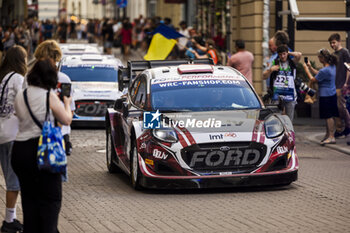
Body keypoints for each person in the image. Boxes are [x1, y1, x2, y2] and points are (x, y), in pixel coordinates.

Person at [11, 58, 72, 233]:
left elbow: (19, 116)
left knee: (29, 200)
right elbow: (66, 119)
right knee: (51, 199)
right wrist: (66, 102)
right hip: (42, 151)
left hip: (20, 150)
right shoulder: (48, 96)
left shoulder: (20, 95)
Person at [0, 45, 27, 233]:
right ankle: (8, 222)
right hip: (13, 134)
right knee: (13, 181)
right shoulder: (18, 79)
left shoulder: (2, 80)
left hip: (2, 133)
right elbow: (24, 103)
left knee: (12, 178)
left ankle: (12, 218)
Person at [33, 39, 75, 155]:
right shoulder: (64, 79)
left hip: (37, 132)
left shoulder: (29, 79)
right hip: (58, 133)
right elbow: (70, 111)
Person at [303, 49, 338, 145]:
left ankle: (331, 136)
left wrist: (306, 69)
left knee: (328, 116)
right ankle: (328, 135)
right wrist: (310, 67)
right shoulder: (332, 67)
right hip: (332, 93)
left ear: (323, 58)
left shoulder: (325, 70)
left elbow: (313, 79)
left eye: (319, 57)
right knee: (329, 116)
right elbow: (319, 74)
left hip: (325, 95)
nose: (318, 58)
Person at [262, 45, 302, 121]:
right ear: (278, 54)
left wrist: (288, 52)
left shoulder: (291, 62)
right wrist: (270, 70)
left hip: (290, 95)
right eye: (280, 54)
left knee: (289, 119)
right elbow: (264, 76)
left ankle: (288, 132)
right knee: (276, 119)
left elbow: (299, 54)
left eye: (284, 54)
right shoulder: (275, 63)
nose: (282, 56)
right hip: (277, 95)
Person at [328, 33, 350, 138]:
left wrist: (346, 82)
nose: (332, 45)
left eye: (333, 42)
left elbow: (348, 68)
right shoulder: (334, 54)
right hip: (334, 84)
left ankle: (348, 127)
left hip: (341, 84)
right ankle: (340, 129)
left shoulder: (344, 52)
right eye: (331, 43)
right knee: (336, 108)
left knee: (341, 107)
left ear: (339, 41)